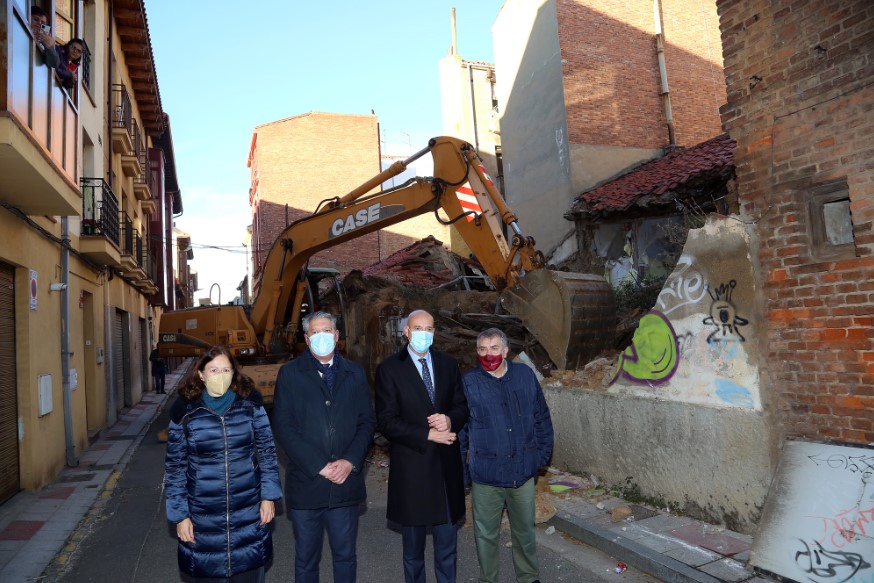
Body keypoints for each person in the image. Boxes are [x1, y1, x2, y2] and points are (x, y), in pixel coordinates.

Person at [164, 345, 282, 583]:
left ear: (234, 373)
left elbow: (268, 453)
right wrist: (180, 516)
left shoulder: (251, 405)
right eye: (214, 370)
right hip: (202, 517)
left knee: (249, 573)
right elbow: (175, 468)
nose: (221, 375)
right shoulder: (185, 412)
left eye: (226, 369)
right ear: (201, 374)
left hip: (248, 511)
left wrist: (269, 496)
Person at [272, 311, 375, 583]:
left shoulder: (355, 373)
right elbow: (283, 426)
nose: (322, 337)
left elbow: (366, 422)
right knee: (306, 560)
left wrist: (350, 461)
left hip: (345, 484)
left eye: (327, 331)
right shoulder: (290, 374)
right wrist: (318, 465)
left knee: (345, 556)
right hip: (308, 484)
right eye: (315, 333)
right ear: (307, 339)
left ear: (337, 336)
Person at [375, 309, 469, 583]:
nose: (423, 334)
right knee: (413, 552)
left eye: (429, 329)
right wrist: (428, 434)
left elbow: (462, 406)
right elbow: (386, 422)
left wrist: (449, 419)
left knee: (447, 548)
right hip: (412, 471)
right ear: (406, 332)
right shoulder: (390, 369)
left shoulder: (448, 364)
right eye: (417, 328)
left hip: (445, 471)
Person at [460, 328, 554, 583]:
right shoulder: (469, 383)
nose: (487, 354)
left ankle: (528, 577)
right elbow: (462, 432)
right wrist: (464, 474)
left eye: (493, 348)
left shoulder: (524, 375)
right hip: (486, 476)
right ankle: (488, 579)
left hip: (522, 473)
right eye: (482, 349)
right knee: (486, 536)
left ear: (505, 350)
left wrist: (541, 458)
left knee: (525, 532)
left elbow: (541, 417)